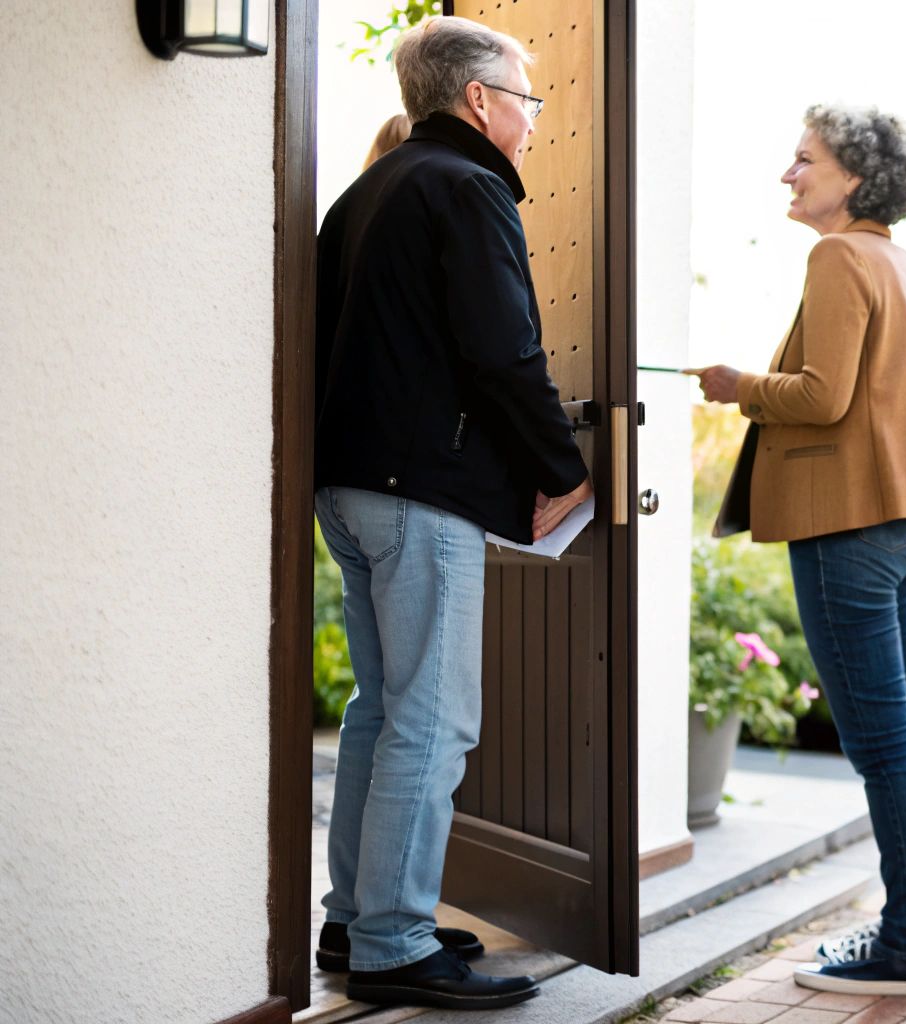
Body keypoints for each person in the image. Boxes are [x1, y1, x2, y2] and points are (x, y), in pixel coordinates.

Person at [312, 15, 591, 1010]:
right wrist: (562, 467)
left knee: (381, 710)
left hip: (348, 488)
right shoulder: (467, 186)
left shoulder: (366, 192)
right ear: (479, 99)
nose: (534, 120)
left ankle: (355, 919)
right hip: (418, 493)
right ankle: (392, 941)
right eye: (526, 99)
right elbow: (503, 349)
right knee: (432, 721)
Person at [689, 105, 906, 997]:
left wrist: (739, 386)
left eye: (805, 159)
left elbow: (823, 395)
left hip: (849, 526)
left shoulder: (840, 258)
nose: (788, 174)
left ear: (855, 178)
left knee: (883, 744)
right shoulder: (903, 265)